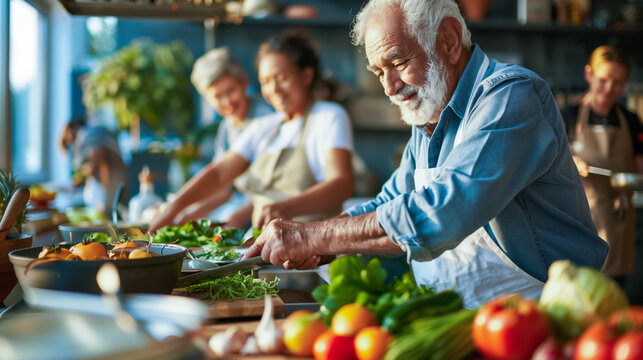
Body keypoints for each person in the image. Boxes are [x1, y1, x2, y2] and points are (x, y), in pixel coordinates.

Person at [244, 0, 608, 308]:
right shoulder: (431, 118)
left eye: (398, 62)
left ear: (449, 41)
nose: (389, 87)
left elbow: (445, 212)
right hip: (470, 322)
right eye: (378, 71)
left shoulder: (512, 97)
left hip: (548, 317)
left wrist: (316, 236)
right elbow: (388, 201)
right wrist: (324, 244)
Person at [149, 30, 354, 233]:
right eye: (265, 82)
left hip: (315, 252)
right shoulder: (265, 126)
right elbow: (219, 173)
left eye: (282, 78)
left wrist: (286, 208)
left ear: (306, 75)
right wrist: (172, 209)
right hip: (266, 251)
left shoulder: (329, 116)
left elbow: (342, 184)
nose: (273, 89)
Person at [561, 45, 643, 284]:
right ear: (589, 74)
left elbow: (640, 167)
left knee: (614, 291)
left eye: (618, 82)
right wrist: (570, 163)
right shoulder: (567, 116)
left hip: (618, 219)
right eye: (603, 79)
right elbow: (548, 163)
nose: (609, 88)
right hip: (580, 217)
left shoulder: (631, 120)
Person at [174, 47, 274, 228]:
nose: (227, 102)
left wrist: (238, 217)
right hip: (239, 207)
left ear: (244, 82)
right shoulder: (227, 127)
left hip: (267, 210)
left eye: (231, 91)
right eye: (218, 96)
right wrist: (191, 212)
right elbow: (223, 187)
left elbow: (273, 188)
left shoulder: (266, 117)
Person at [60, 118, 127, 218]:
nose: (71, 146)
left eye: (68, 141)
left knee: (109, 215)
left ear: (71, 130)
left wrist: (83, 173)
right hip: (118, 179)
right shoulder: (94, 132)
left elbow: (98, 158)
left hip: (110, 183)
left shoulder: (87, 136)